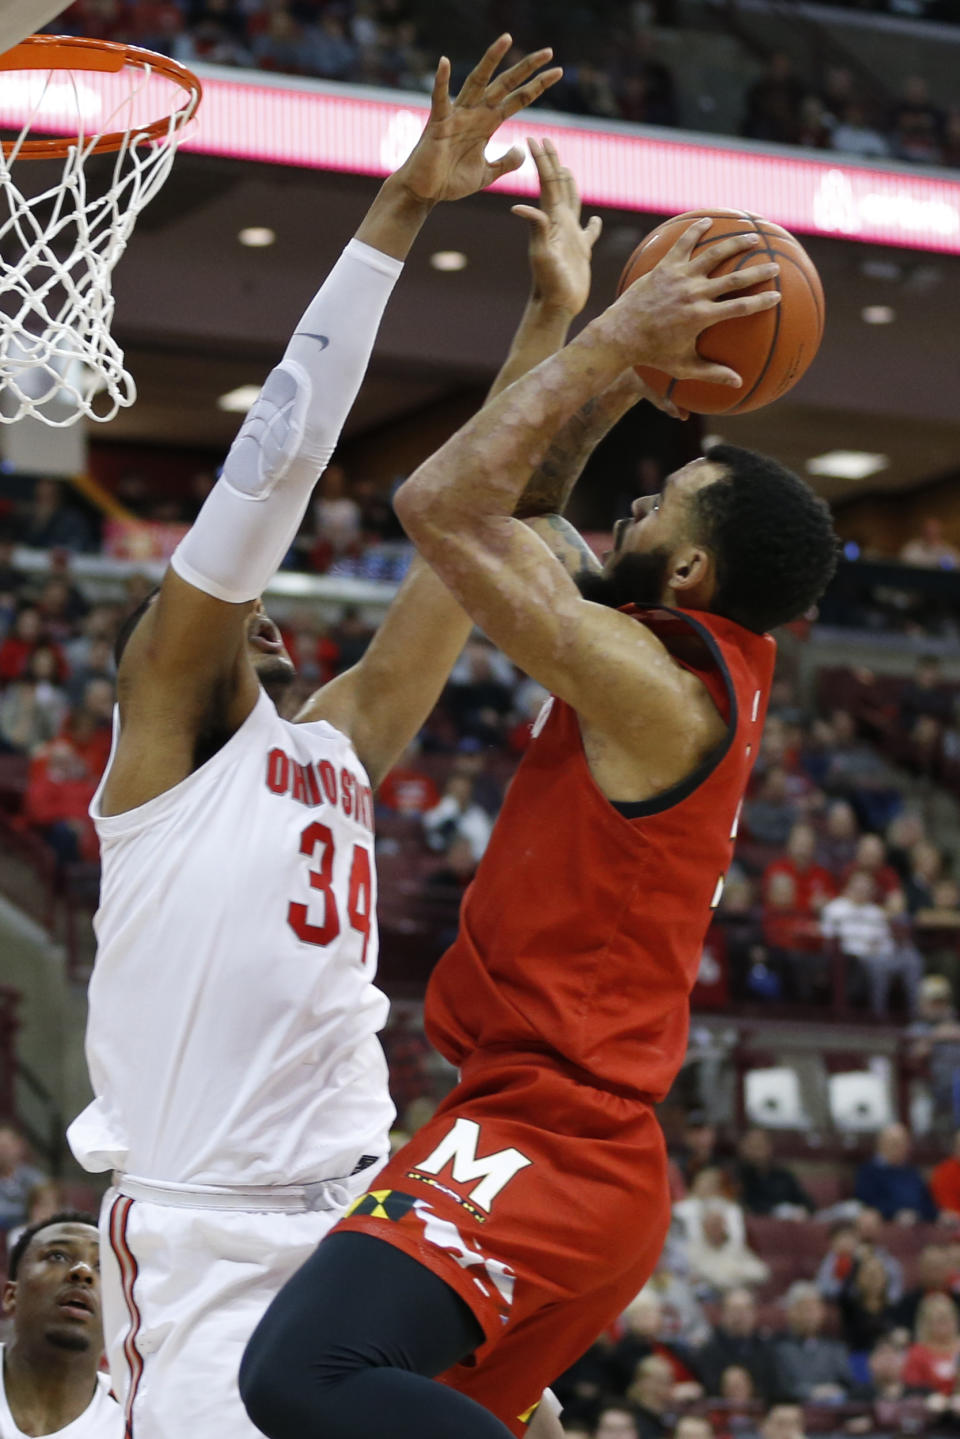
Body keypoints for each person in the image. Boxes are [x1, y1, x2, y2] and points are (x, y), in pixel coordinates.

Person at [241, 175, 838, 1436]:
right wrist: (599, 342)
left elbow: (439, 507)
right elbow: (520, 507)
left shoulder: (654, 687)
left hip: (558, 1144)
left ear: (688, 568)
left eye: (653, 506)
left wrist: (621, 344)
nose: (625, 503)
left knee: (301, 1375)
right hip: (533, 1128)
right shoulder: (655, 644)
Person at [64, 36, 569, 1439]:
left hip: (370, 1219)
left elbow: (462, 545)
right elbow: (274, 459)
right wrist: (403, 205)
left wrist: (547, 336)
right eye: (234, 608)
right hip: (208, 1245)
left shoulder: (337, 745)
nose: (263, 610)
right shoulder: (163, 756)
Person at [0, 1211, 120, 1436]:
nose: (83, 1272)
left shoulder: (140, 1422)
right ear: (11, 1296)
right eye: (58, 1256)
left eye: (103, 1267)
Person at [693, 1287, 781, 1402]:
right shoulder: (707, 1351)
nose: (739, 1316)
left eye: (745, 1310)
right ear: (723, 1314)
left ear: (754, 1314)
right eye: (734, 1310)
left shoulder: (768, 1350)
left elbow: (774, 1389)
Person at [774, 1282, 852, 1402]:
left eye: (814, 1308)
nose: (810, 1314)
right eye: (804, 1308)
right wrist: (811, 1392)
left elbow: (847, 1384)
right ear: (790, 1313)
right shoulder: (778, 1348)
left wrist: (833, 1391)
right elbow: (780, 1386)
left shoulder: (835, 1348)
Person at [854, 1123, 937, 1223]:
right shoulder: (869, 1172)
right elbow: (867, 1202)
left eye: (904, 1143)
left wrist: (921, 1214)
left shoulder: (912, 1172)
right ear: (881, 1145)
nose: (901, 1148)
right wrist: (895, 1213)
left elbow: (927, 1202)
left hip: (918, 1222)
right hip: (888, 1223)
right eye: (894, 1144)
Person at [734, 1128, 814, 1218]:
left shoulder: (783, 1175)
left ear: (769, 1147)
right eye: (752, 1146)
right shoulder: (737, 1176)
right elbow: (746, 1206)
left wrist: (802, 1210)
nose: (756, 1151)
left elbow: (808, 1203)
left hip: (791, 1224)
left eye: (760, 1145)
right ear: (742, 1148)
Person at [0, 1120, 47, 1234]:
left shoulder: (34, 1177)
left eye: (8, 1146)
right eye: (1, 1146)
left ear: (19, 1146)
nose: (4, 1151)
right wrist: (28, 1214)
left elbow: (51, 1204)